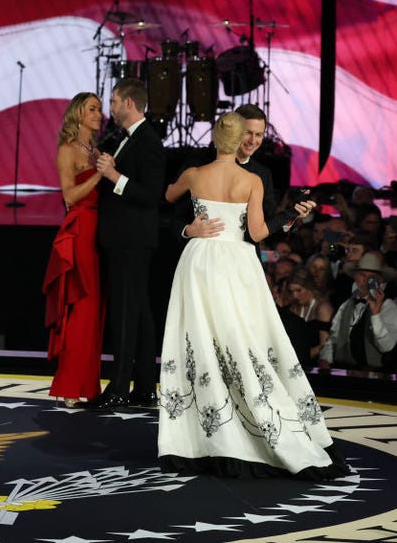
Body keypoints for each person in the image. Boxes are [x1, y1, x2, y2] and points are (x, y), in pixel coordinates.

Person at [157, 112, 346, 479]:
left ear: (215, 137)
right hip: (235, 264)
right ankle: (244, 429)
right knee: (236, 342)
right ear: (240, 136)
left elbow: (166, 195)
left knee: (201, 341)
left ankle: (198, 438)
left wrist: (197, 224)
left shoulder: (195, 174)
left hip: (198, 262)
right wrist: (291, 213)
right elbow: (258, 233)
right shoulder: (252, 180)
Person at [91, 78, 165, 410]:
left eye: (114, 101)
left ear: (129, 104)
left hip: (131, 239)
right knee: (139, 313)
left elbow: (151, 196)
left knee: (125, 312)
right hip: (126, 238)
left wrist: (114, 177)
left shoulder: (148, 141)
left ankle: (119, 387)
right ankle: (146, 386)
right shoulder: (127, 139)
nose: (111, 108)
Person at [42, 92, 105, 406]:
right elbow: (70, 196)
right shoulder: (68, 150)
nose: (99, 113)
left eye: (100, 108)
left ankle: (87, 385)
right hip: (79, 230)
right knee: (81, 306)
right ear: (78, 113)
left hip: (97, 232)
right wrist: (100, 175)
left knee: (94, 310)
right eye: (92, 108)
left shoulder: (95, 148)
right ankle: (69, 386)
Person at [175, 103, 314, 245]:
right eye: (247, 133)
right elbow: (174, 214)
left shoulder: (262, 174)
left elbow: (268, 230)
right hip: (201, 255)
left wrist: (291, 215)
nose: (253, 141)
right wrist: (188, 230)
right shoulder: (198, 163)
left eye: (259, 135)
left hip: (243, 259)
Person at [318, 250, 397, 372]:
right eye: (362, 275)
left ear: (380, 280)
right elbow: (333, 339)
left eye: (371, 278)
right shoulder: (346, 305)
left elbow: (387, 346)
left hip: (374, 377)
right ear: (355, 277)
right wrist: (324, 360)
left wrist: (375, 315)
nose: (366, 281)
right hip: (343, 372)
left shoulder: (388, 307)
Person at [280, 268, 334, 367]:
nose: (295, 295)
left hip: (316, 365)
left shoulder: (322, 308)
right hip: (296, 364)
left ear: (309, 286)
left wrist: (301, 356)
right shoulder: (293, 308)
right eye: (291, 291)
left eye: (298, 290)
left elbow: (325, 345)